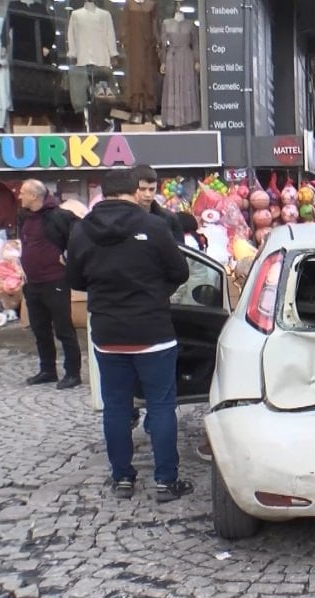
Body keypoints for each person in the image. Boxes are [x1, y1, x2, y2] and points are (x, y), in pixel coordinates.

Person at [66, 168, 193, 502]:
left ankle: (122, 478)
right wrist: (156, 292)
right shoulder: (153, 226)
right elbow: (180, 271)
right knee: (162, 406)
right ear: (134, 192)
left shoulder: (81, 231)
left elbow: (76, 280)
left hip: (108, 332)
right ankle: (166, 482)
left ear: (103, 193)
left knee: (117, 407)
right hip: (153, 330)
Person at [16, 179, 83, 389]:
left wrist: (69, 256)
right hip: (33, 283)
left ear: (34, 196)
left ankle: (73, 373)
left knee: (64, 329)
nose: (19, 196)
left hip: (55, 281)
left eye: (23, 193)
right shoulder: (25, 217)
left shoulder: (59, 215)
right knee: (40, 329)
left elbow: (80, 235)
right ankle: (47, 370)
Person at [130, 164, 184, 244]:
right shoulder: (122, 218)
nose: (147, 194)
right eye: (142, 189)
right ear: (132, 189)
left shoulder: (170, 219)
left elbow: (179, 252)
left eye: (151, 189)